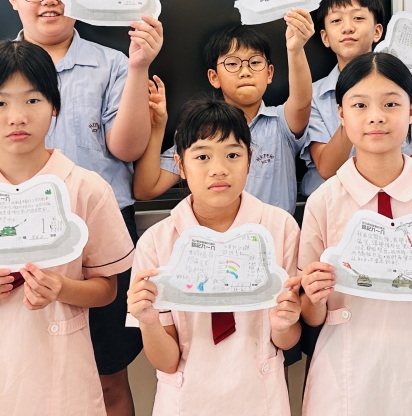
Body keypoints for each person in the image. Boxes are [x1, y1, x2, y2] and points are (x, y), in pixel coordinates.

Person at [0, 0, 159, 413]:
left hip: (96, 234)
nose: (49, 0)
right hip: (1, 233)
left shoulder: (112, 64)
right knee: (10, 373)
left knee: (107, 375)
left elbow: (127, 148)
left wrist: (140, 67)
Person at [0, 40, 136, 416]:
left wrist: (63, 289)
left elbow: (106, 290)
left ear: (54, 106)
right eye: (0, 103)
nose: (17, 117)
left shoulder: (88, 190)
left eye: (33, 100)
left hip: (63, 379)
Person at [298, 52, 412, 416]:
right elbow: (310, 313)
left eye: (391, 103)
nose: (376, 116)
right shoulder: (324, 201)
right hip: (346, 370)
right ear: (341, 114)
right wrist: (315, 296)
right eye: (360, 105)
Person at [126, 100, 302, 416]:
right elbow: (166, 361)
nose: (219, 169)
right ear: (180, 165)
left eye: (232, 155)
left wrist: (284, 323)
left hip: (259, 397)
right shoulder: (156, 242)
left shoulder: (280, 229)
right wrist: (149, 322)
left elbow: (287, 340)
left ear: (250, 160)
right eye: (202, 156)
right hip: (187, 400)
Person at [132, 14, 313, 213]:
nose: (245, 71)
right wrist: (157, 127)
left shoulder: (281, 122)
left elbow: (302, 102)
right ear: (214, 77)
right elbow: (146, 189)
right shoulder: (199, 128)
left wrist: (295, 49)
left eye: (254, 62)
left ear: (269, 73)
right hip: (215, 232)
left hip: (274, 231)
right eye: (232, 64)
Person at [300, 0, 412, 197]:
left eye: (358, 18)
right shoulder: (313, 95)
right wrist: (355, 104)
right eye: (336, 20)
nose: (348, 28)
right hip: (332, 205)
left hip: (394, 201)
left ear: (377, 31)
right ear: (325, 37)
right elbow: (326, 168)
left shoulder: (403, 88)